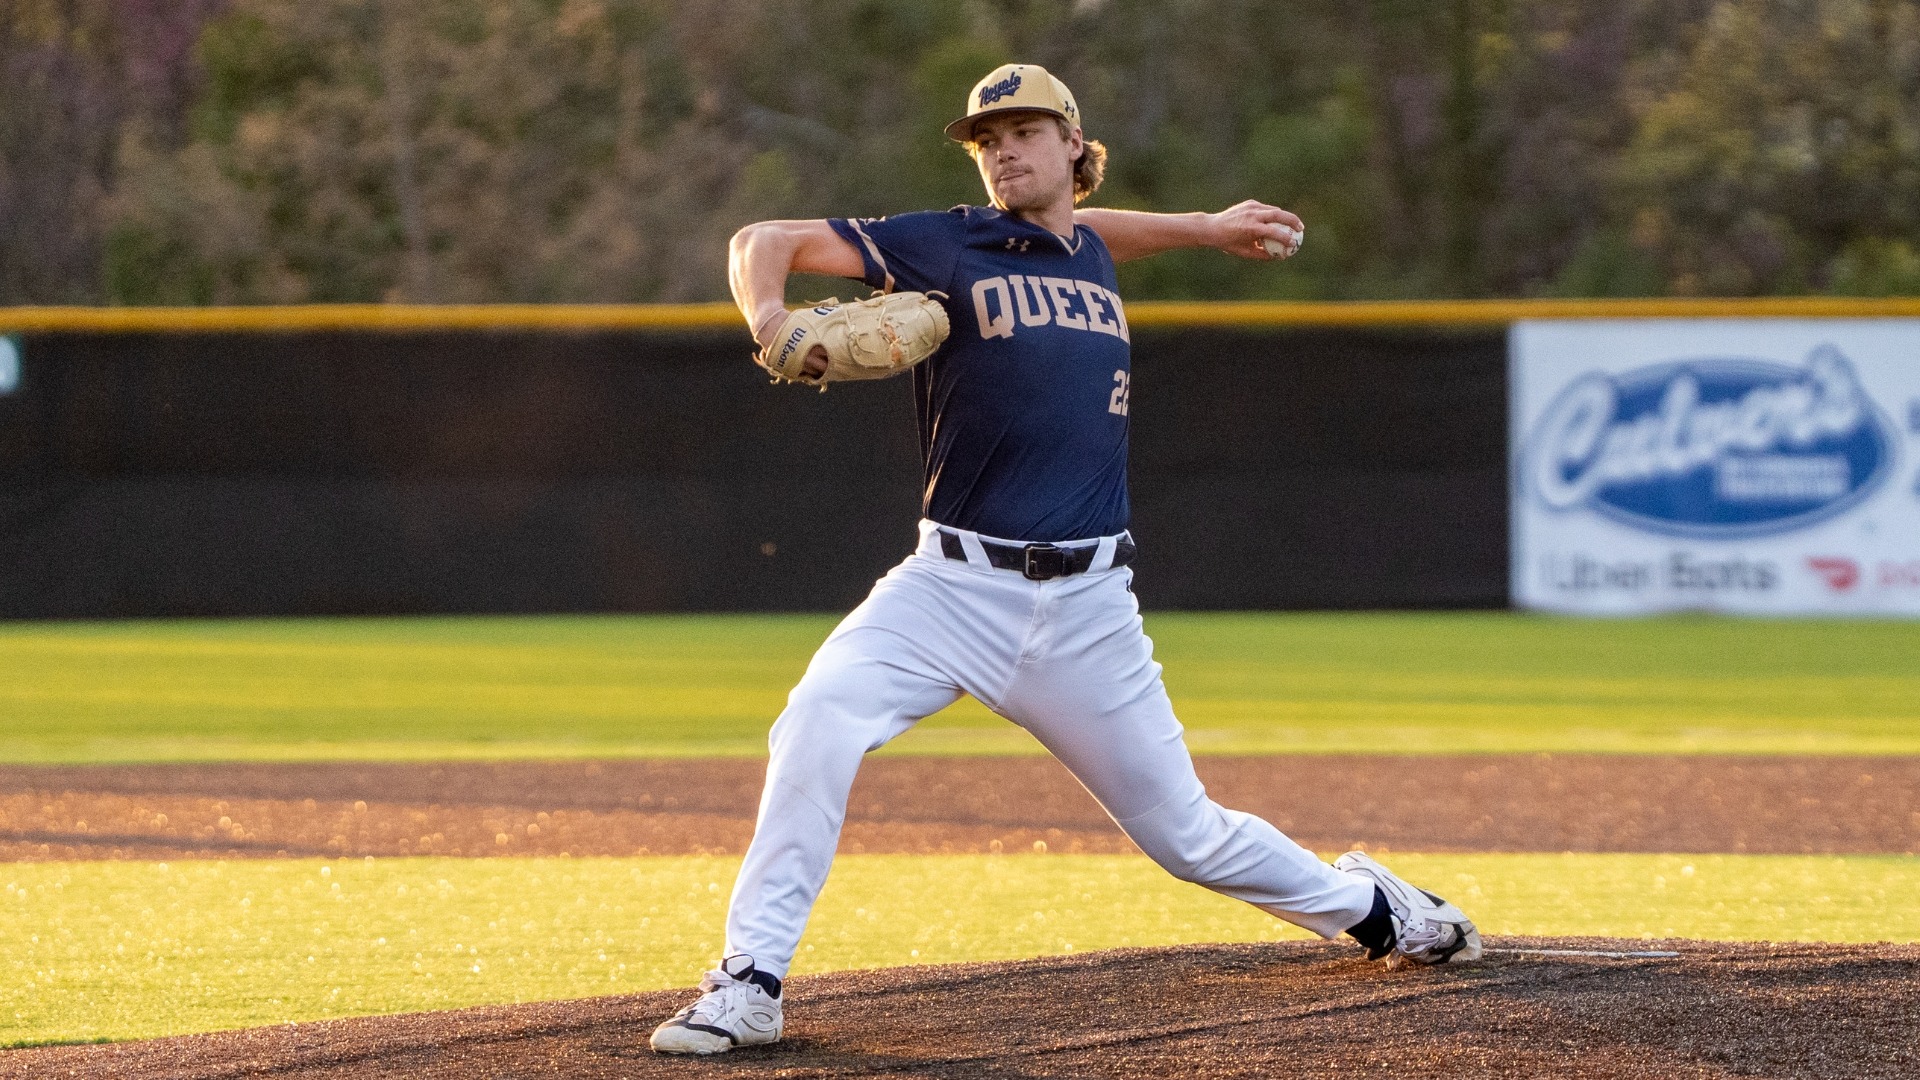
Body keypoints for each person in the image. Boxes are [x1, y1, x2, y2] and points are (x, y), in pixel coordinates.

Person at [649, 63, 1480, 1056]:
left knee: (1189, 839)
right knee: (815, 725)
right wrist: (772, 322)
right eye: (986, 138)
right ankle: (750, 980)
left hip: (1088, 607)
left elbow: (1097, 232)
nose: (1001, 149)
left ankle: (1375, 911)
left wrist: (1209, 229)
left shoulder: (1086, 248)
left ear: (1073, 150)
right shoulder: (946, 242)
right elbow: (763, 241)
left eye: (1023, 132)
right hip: (949, 590)